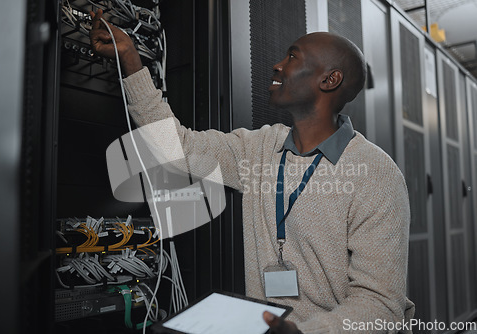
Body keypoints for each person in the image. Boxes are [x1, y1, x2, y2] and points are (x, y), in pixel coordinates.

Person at [90, 9, 414, 333]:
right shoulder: (258, 149)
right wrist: (132, 63)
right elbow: (177, 148)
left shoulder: (376, 174)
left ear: (329, 80)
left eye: (292, 57)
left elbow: (380, 306)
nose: (277, 65)